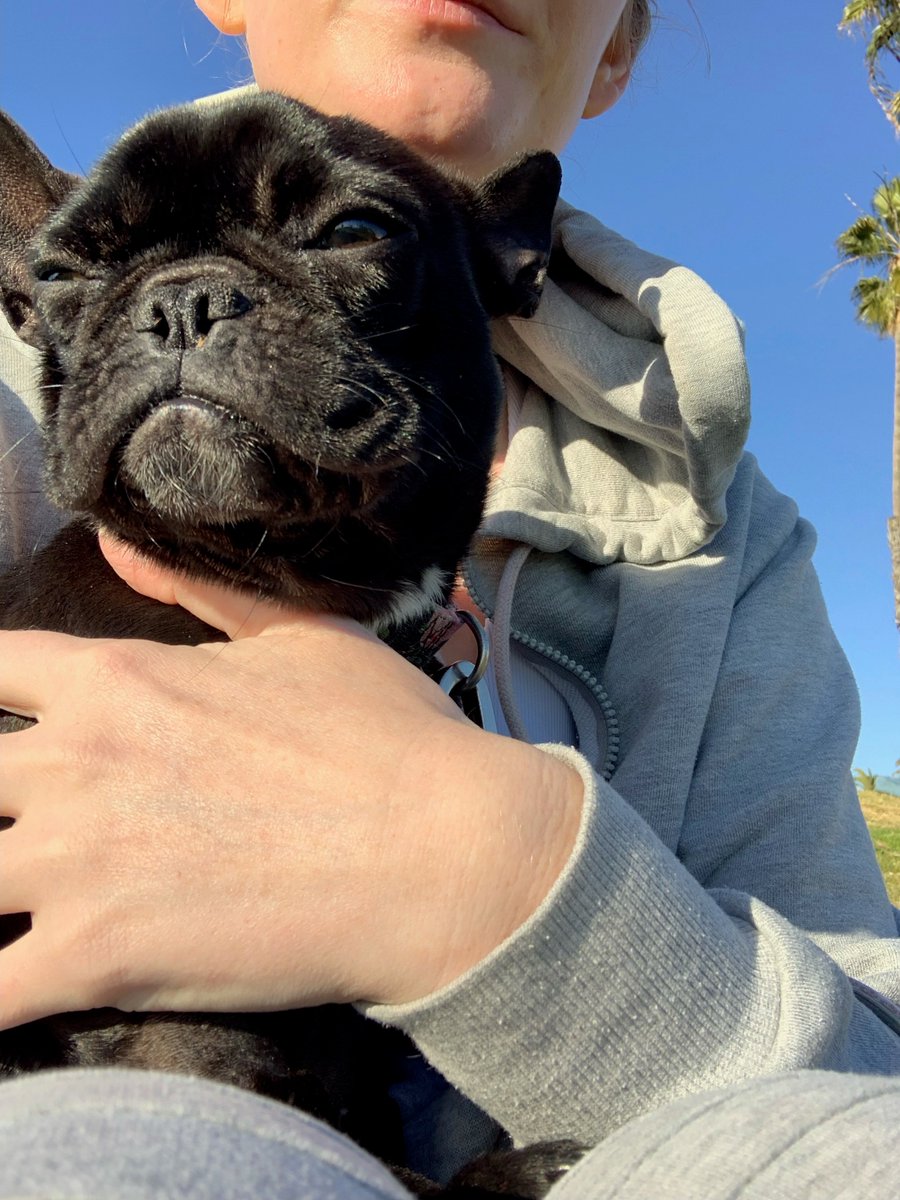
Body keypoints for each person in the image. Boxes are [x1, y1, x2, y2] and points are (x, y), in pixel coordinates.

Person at [1, 1, 900, 1196]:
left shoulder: (730, 550)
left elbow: (865, 1098)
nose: (183, 318)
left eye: (347, 234)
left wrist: (488, 873)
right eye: (74, 275)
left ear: (618, 47)